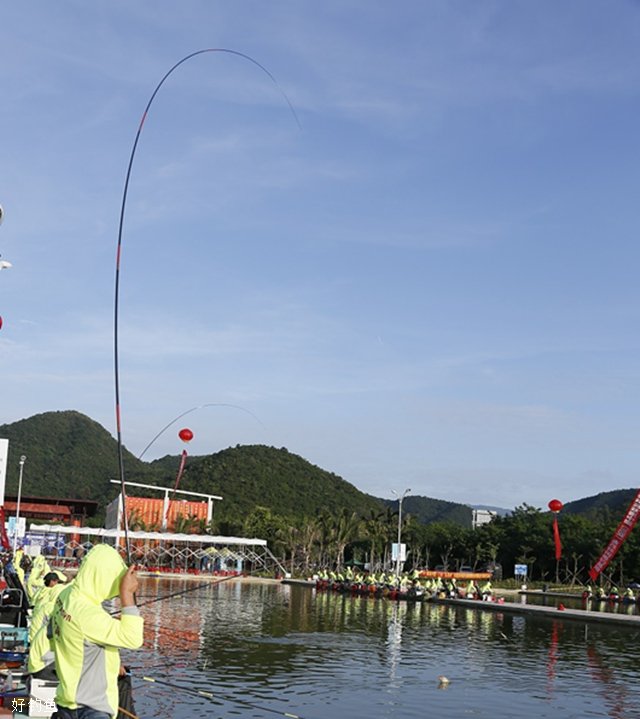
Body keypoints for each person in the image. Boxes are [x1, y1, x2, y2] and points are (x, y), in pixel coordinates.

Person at [49, 544, 143, 719]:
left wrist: (112, 664)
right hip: (90, 709)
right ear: (104, 578)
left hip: (66, 703)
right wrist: (126, 595)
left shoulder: (67, 595)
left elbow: (81, 639)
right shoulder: (88, 615)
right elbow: (134, 638)